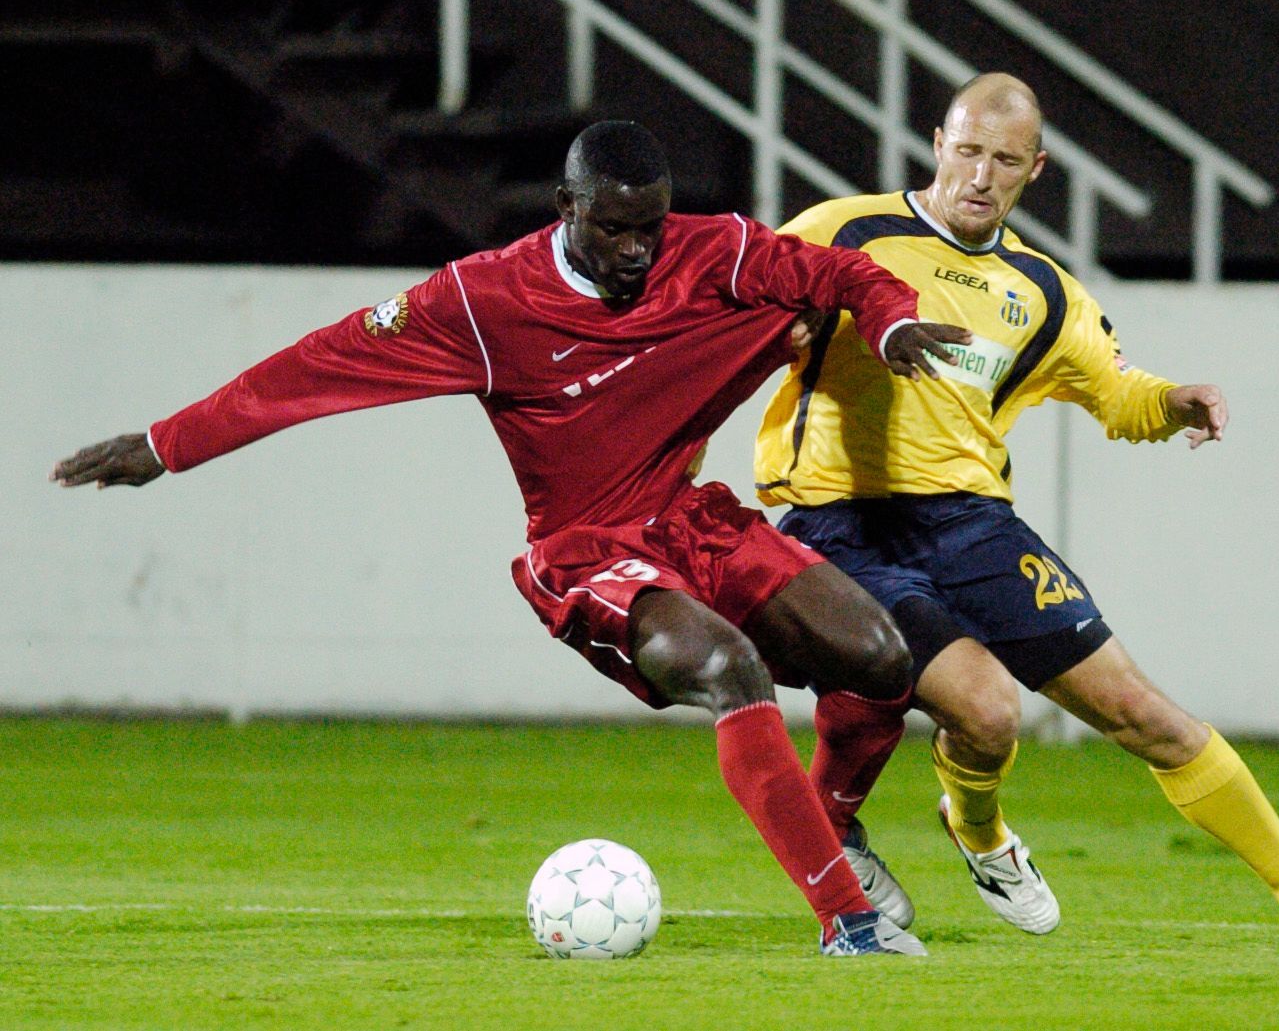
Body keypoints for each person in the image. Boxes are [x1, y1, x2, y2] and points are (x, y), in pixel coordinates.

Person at [51, 120, 977, 957]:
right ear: (564, 207)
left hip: (690, 520)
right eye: (611, 228)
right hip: (584, 551)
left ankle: (825, 822)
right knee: (727, 666)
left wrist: (890, 320)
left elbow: (841, 273)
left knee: (879, 656)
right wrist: (167, 444)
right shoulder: (486, 301)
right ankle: (847, 920)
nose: (635, 249)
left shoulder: (717, 251)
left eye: (650, 226)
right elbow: (318, 365)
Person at [755, 75, 1279, 944]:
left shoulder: (1044, 292)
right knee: (986, 709)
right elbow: (733, 305)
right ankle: (896, 830)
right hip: (838, 521)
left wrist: (1172, 400)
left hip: (970, 524)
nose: (979, 177)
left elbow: (1115, 392)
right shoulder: (844, 229)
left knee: (1138, 710)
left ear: (1036, 168)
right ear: (936, 142)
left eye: (1002, 160)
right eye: (966, 152)